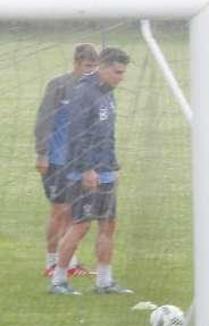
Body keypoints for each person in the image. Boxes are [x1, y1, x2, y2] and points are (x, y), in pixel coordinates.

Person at [50, 47, 131, 295]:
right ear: (103, 67)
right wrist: (87, 169)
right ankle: (59, 281)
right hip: (84, 172)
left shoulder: (109, 94)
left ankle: (104, 281)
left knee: (108, 224)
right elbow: (78, 134)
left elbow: (107, 134)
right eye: (117, 72)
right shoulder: (84, 93)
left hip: (105, 170)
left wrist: (113, 166)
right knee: (81, 225)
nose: (121, 77)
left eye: (123, 73)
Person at [34, 43, 98, 279]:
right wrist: (42, 153)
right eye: (87, 66)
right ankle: (51, 263)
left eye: (94, 66)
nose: (91, 71)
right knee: (58, 212)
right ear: (76, 63)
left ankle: (69, 262)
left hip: (80, 163)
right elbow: (44, 120)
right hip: (57, 161)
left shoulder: (94, 90)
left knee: (74, 214)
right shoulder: (59, 85)